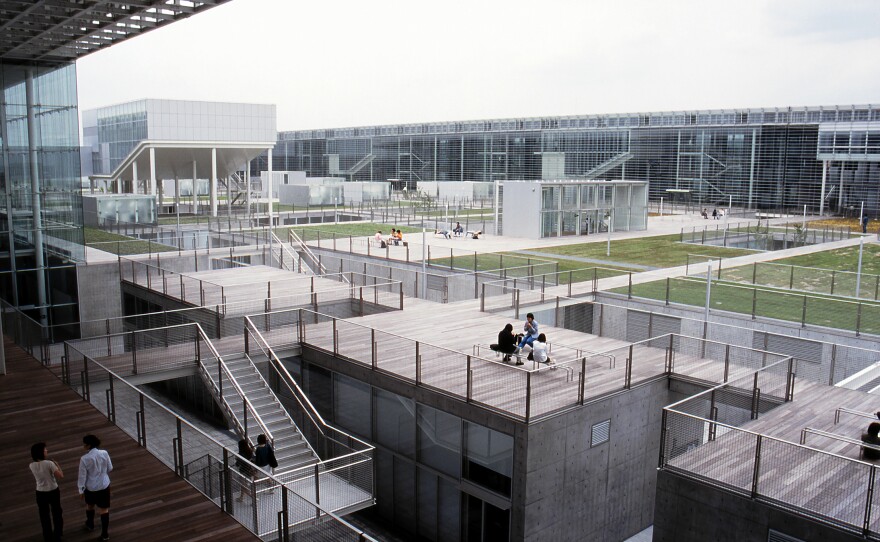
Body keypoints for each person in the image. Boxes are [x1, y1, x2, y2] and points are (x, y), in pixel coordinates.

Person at [78, 434, 112, 541]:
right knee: (104, 509)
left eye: (84, 444)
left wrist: (81, 489)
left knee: (90, 505)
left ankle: (90, 524)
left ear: (88, 446)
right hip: (104, 484)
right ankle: (105, 534)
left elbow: (82, 476)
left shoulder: (84, 459)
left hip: (91, 487)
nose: (83, 446)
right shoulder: (104, 453)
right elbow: (110, 468)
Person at [30, 442, 64, 542]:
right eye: (45, 450)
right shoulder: (50, 463)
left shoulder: (31, 465)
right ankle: (57, 534)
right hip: (53, 491)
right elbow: (61, 476)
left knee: (44, 515)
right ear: (41, 452)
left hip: (40, 492)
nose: (47, 451)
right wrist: (57, 465)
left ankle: (47, 536)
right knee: (57, 512)